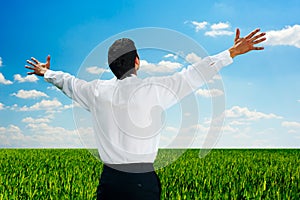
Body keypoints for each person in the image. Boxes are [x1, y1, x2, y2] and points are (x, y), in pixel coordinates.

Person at [25, 28, 266, 200]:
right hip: (142, 182)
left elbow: (67, 81)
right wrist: (231, 52)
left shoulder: (95, 91)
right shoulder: (156, 90)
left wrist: (45, 72)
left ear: (111, 67)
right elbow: (195, 74)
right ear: (137, 61)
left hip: (109, 182)